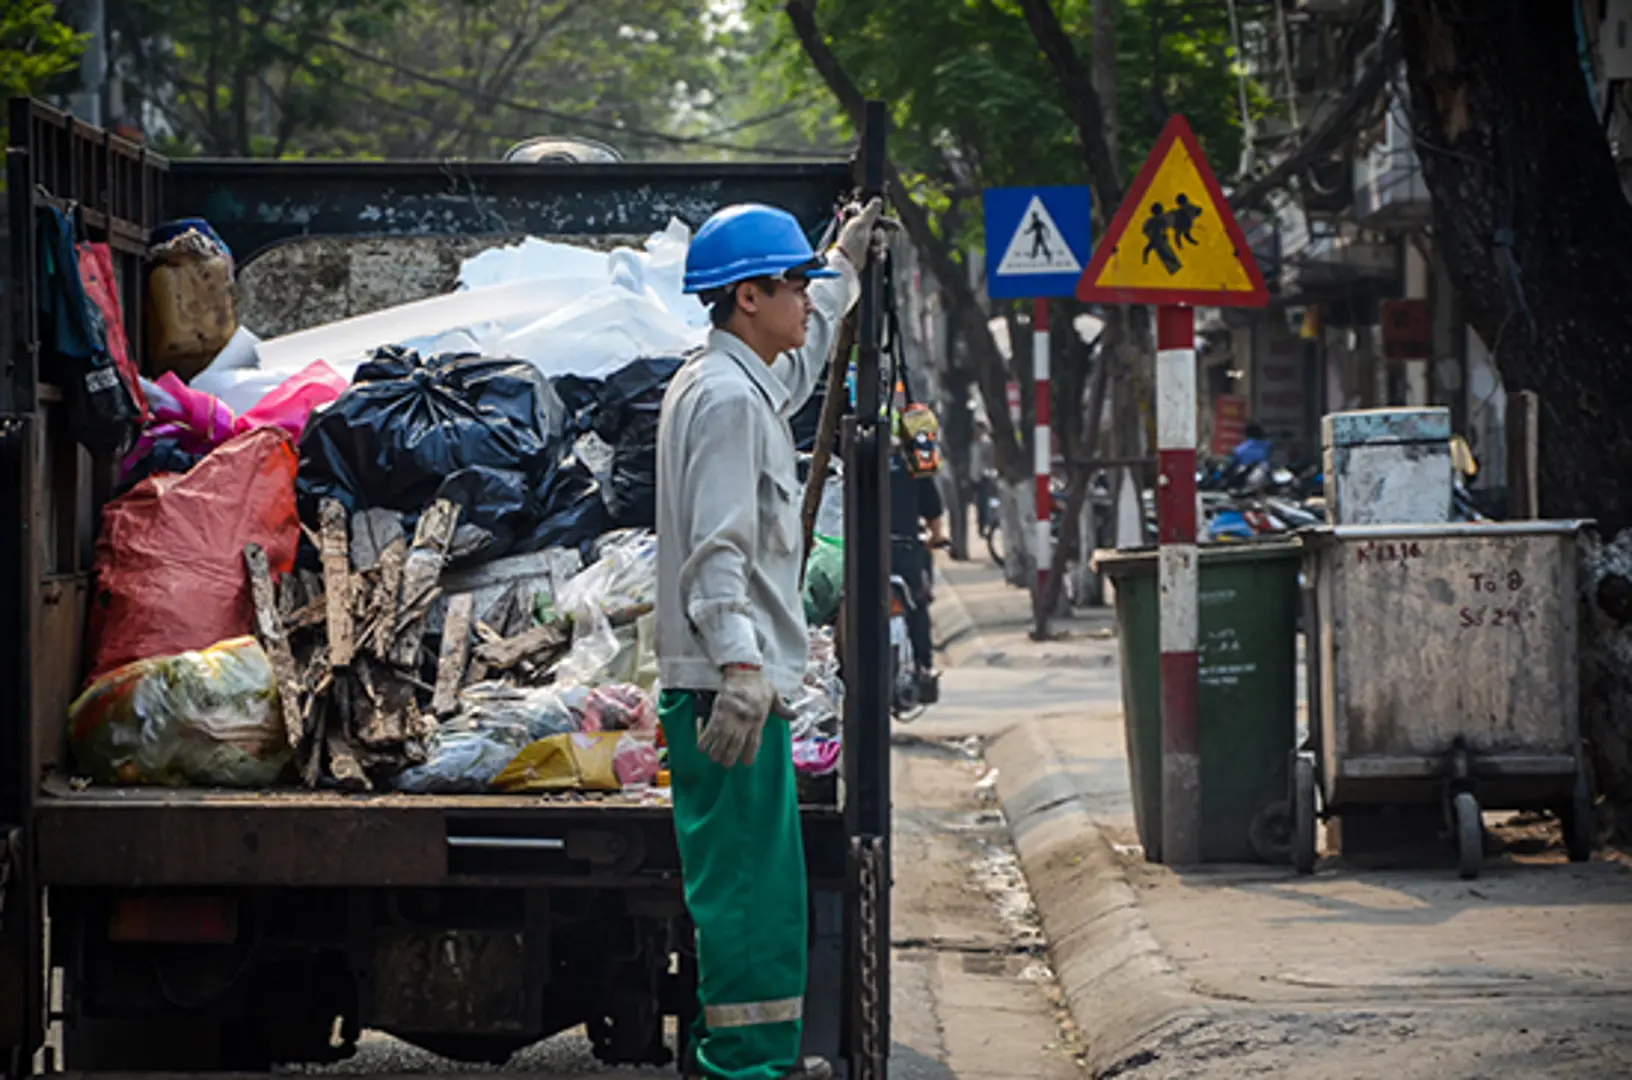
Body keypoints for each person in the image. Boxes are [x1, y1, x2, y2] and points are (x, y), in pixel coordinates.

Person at [654, 197, 884, 1080]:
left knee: (764, 895)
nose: (803, 298)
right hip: (729, 694)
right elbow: (717, 556)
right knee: (748, 900)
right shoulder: (724, 403)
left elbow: (803, 358)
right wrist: (745, 670)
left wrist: (842, 264)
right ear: (747, 297)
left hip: (728, 687)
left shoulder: (738, 384)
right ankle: (744, 1069)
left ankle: (756, 1064)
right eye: (794, 284)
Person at [890, 427, 946, 681]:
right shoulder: (914, 466)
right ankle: (924, 666)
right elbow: (933, 511)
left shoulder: (856, 462)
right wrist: (936, 537)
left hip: (865, 552)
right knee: (918, 605)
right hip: (906, 549)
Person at [970, 418, 997, 534]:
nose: (978, 432)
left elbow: (991, 460)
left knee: (984, 503)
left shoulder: (987, 444)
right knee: (977, 504)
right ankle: (983, 524)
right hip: (971, 476)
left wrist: (989, 472)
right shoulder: (970, 445)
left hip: (984, 477)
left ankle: (984, 525)